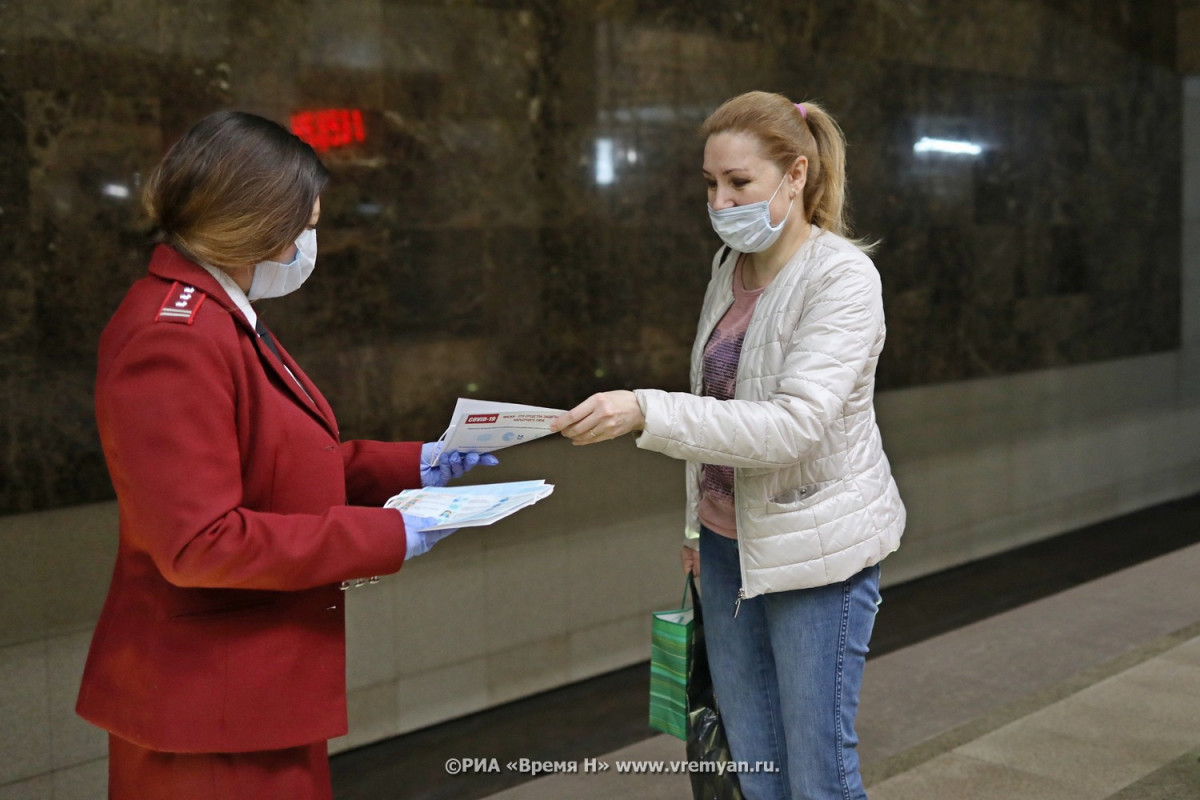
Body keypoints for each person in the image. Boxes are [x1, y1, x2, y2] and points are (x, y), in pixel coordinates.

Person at [76, 110, 495, 800]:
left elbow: (285, 461)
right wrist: (395, 531)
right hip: (206, 706)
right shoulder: (174, 337)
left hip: (252, 689)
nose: (311, 244)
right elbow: (201, 542)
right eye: (306, 227)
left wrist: (417, 464)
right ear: (258, 225)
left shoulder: (222, 313)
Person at [552, 91, 905, 799]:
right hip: (725, 549)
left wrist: (642, 410)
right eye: (711, 183)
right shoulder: (730, 269)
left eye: (739, 182)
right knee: (752, 760)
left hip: (816, 554)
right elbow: (717, 405)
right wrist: (695, 524)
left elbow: (790, 427)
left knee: (817, 773)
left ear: (796, 174)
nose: (721, 200)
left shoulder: (841, 278)